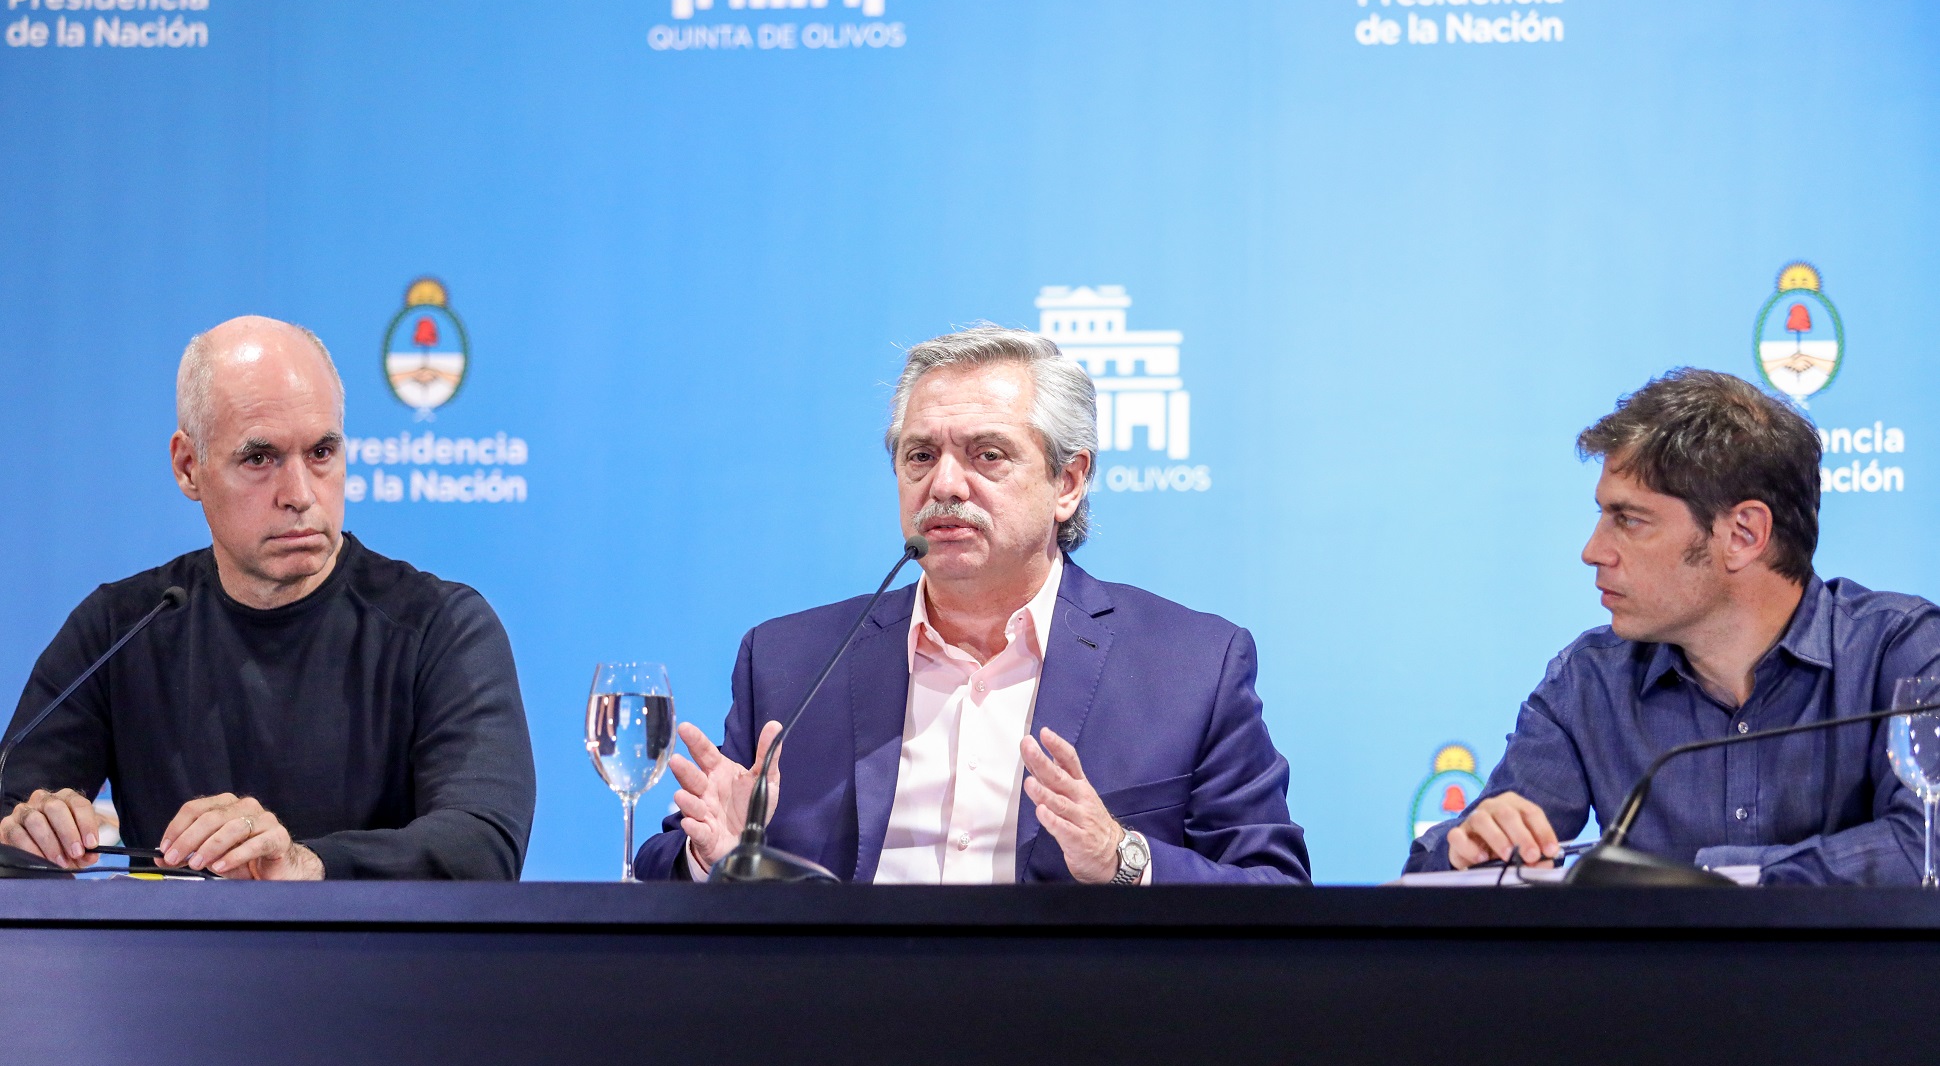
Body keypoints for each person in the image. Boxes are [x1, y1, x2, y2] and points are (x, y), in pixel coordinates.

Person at [634, 326, 1309, 884]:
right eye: (920, 455)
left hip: (1078, 1032)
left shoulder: (1190, 668)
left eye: (987, 455)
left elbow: (1276, 889)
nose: (945, 483)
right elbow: (667, 871)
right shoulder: (790, 664)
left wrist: (1120, 856)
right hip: (844, 1027)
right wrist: (710, 855)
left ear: (1068, 481)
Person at [0, 316, 536, 879]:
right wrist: (28, 831)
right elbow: (13, 808)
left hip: (377, 965)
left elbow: (482, 844)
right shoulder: (120, 628)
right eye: (260, 459)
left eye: (322, 452)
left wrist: (304, 866)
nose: (301, 495)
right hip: (171, 964)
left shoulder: (439, 627)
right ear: (189, 466)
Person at [1407, 368, 1939, 885]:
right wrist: (1470, 848)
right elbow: (1450, 879)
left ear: (1743, 534)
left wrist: (1708, 883)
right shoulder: (1591, 680)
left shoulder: (1904, 654)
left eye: (1630, 520)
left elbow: (1926, 845)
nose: (1593, 552)